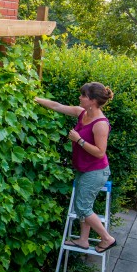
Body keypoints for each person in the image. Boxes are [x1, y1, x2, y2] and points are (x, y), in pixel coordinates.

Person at [35, 82, 116, 253]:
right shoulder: (82, 113)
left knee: (83, 207)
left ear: (92, 100)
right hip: (84, 168)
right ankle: (84, 240)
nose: (80, 97)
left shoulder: (100, 124)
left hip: (95, 171)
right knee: (83, 205)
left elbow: (100, 153)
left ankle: (107, 238)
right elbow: (58, 106)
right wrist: (35, 99)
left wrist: (79, 140)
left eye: (83, 95)